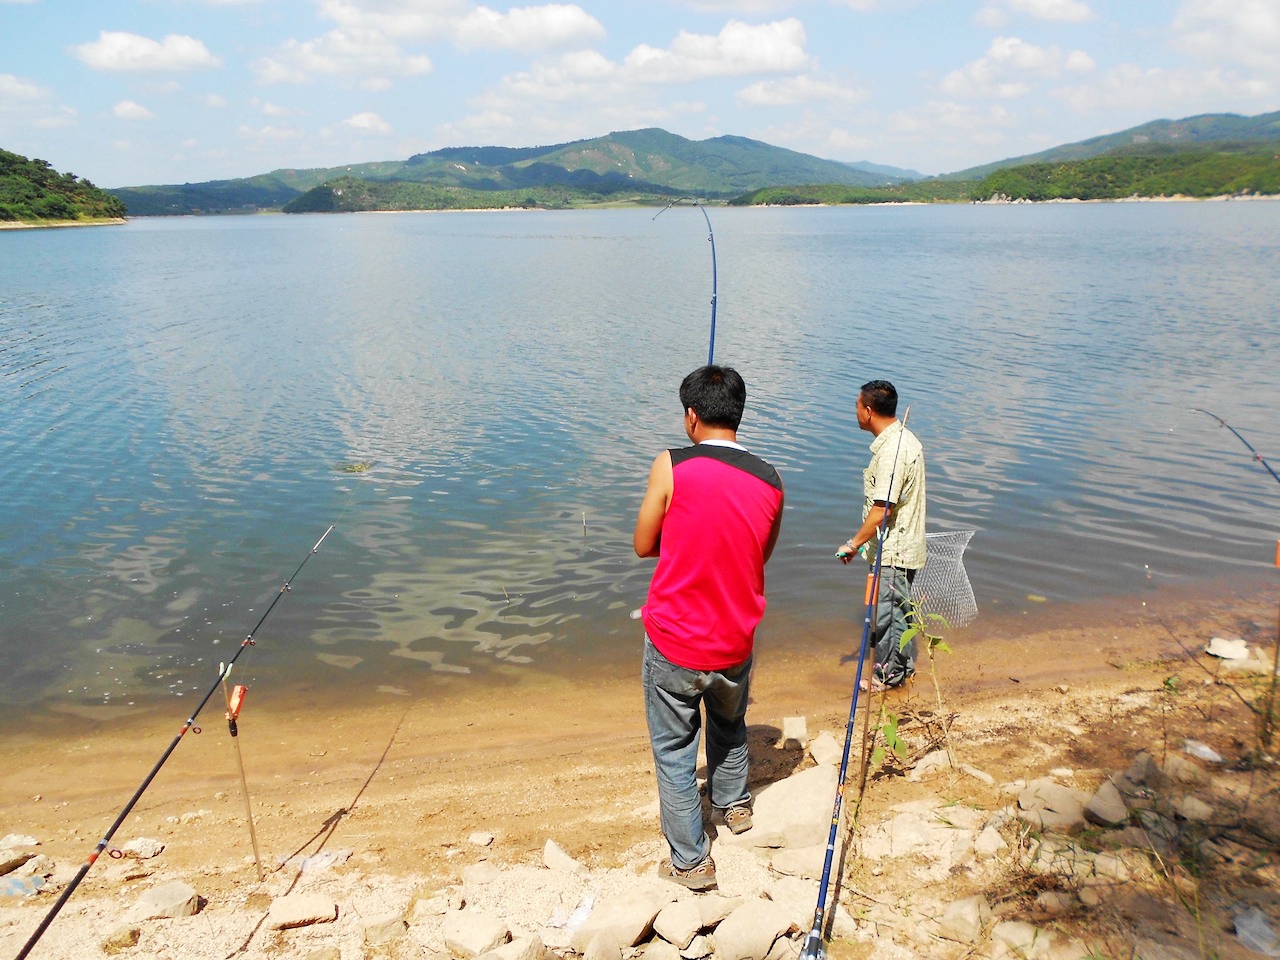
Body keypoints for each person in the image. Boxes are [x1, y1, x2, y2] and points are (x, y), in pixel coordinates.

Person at [634, 365, 785, 891]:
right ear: (738, 414)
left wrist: (679, 541)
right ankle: (735, 806)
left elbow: (642, 542)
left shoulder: (670, 465)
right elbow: (756, 554)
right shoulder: (771, 479)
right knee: (729, 723)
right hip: (734, 637)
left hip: (675, 639)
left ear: (691, 416)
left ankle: (692, 863)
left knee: (675, 749)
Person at [836, 380, 926, 690]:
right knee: (898, 610)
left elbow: (882, 508)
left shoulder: (893, 452)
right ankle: (904, 668)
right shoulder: (901, 441)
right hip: (897, 546)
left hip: (895, 551)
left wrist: (853, 543)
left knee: (889, 616)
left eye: (857, 406)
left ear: (869, 411)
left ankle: (887, 677)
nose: (856, 412)